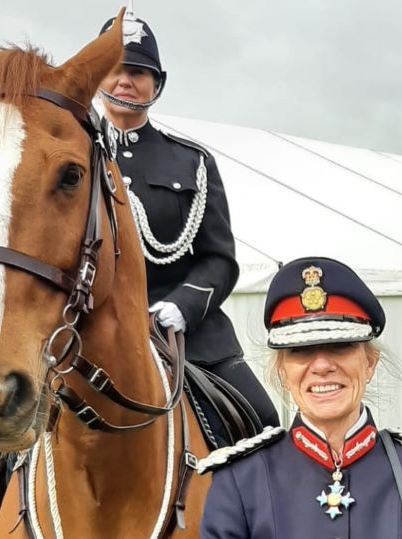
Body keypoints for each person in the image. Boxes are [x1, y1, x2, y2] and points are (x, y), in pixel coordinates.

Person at [97, 6, 279, 433]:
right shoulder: (67, 155)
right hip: (89, 334)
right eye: (113, 69)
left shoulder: (192, 161)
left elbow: (219, 259)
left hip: (185, 337)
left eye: (139, 72)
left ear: (156, 84)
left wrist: (182, 306)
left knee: (264, 421)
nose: (125, 80)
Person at [199, 257, 402, 538]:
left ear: (370, 363)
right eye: (300, 351)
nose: (322, 366)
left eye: (340, 346)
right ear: (282, 371)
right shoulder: (239, 481)